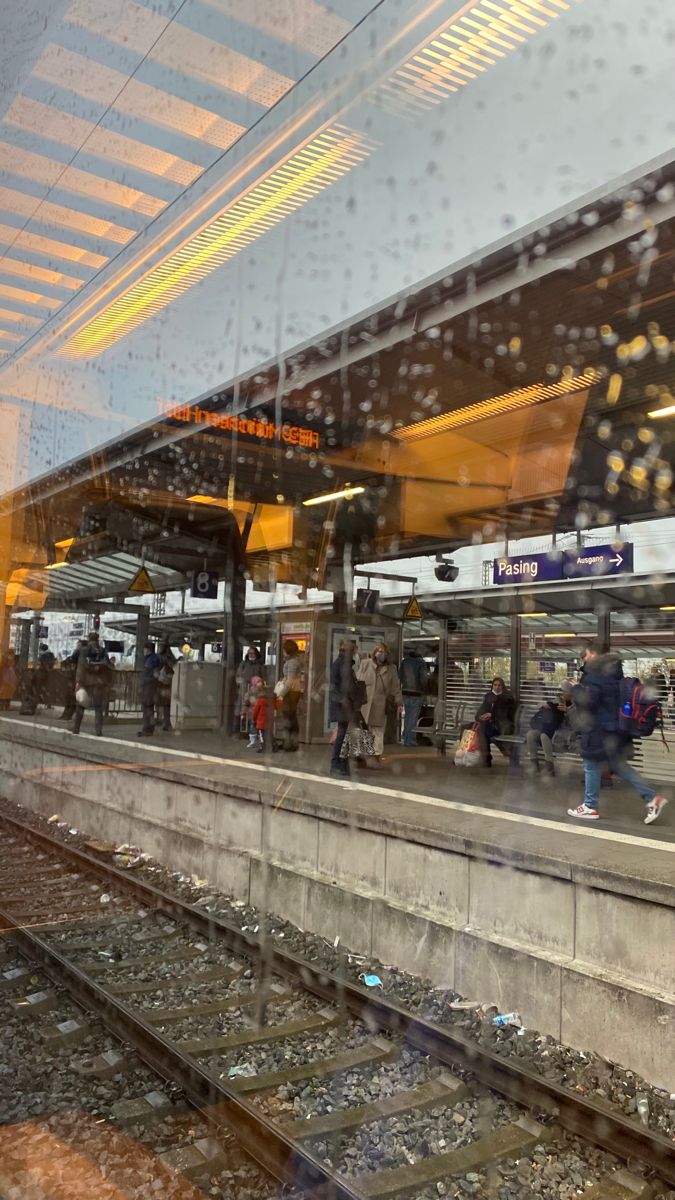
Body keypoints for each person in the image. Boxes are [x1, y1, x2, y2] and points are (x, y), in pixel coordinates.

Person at [568, 640, 668, 824]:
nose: (585, 658)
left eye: (587, 654)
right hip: (615, 728)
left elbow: (589, 702)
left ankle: (590, 806)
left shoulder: (595, 675)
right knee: (619, 765)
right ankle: (652, 797)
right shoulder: (615, 671)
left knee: (590, 763)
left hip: (599, 728)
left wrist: (574, 688)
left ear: (594, 654)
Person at [357, 643, 402, 764]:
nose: (381, 654)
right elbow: (358, 682)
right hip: (365, 704)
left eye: (384, 652)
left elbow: (395, 688)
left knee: (377, 731)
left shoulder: (391, 668)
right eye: (379, 651)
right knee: (364, 729)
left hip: (381, 704)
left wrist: (399, 702)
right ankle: (364, 755)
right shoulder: (365, 664)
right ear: (374, 652)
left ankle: (376, 756)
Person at [329, 640, 362, 777]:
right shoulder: (343, 664)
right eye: (354, 650)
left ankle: (340, 762)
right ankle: (338, 763)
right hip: (343, 704)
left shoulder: (340, 662)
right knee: (343, 734)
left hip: (343, 703)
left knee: (344, 733)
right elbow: (344, 686)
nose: (355, 653)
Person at [525, 685, 573, 776]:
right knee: (530, 734)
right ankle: (534, 765)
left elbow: (573, 722)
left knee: (544, 736)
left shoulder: (573, 704)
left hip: (562, 732)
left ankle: (549, 767)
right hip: (548, 728)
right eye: (562, 691)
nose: (562, 693)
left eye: (565, 691)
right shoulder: (555, 703)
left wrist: (567, 711)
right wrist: (548, 706)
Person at [72, 634, 112, 737]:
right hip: (99, 683)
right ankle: (98, 731)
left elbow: (81, 667)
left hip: (86, 682)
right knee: (98, 708)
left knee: (81, 705)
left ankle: (76, 729)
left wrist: (78, 682)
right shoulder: (102, 651)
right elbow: (108, 667)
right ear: (97, 639)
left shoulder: (84, 650)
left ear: (89, 639)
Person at [474, 677, 516, 767]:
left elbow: (507, 714)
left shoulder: (507, 698)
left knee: (482, 731)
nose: (497, 687)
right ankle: (463, 756)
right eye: (495, 685)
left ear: (503, 687)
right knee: (468, 727)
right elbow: (480, 711)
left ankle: (486, 757)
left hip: (501, 726)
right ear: (492, 686)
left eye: (499, 685)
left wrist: (491, 715)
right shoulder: (488, 696)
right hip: (488, 725)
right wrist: (480, 717)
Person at [276, 639, 304, 751]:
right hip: (293, 691)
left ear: (287, 649)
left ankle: (289, 743)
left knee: (288, 718)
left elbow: (290, 680)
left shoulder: (292, 662)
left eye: (283, 648)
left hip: (290, 693)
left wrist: (281, 694)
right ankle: (292, 742)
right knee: (291, 718)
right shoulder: (292, 661)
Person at [399, 648, 429, 746]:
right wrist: (425, 690)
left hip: (405, 693)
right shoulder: (421, 663)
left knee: (407, 717)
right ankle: (410, 740)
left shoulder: (405, 662)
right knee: (413, 718)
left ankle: (406, 739)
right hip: (417, 693)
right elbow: (423, 679)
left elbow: (400, 676)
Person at [235, 646, 265, 735]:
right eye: (249, 653)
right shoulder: (243, 664)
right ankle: (242, 730)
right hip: (244, 689)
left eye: (252, 653)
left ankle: (253, 730)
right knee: (243, 709)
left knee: (254, 710)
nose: (251, 655)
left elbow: (263, 677)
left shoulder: (260, 665)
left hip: (255, 691)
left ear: (256, 654)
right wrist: (239, 683)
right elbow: (238, 675)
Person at [138, 640, 162, 737]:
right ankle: (149, 728)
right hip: (150, 686)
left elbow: (153, 673)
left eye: (145, 649)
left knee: (147, 707)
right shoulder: (154, 658)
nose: (143, 651)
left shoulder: (151, 660)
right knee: (149, 708)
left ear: (148, 649)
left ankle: (147, 729)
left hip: (149, 686)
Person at [60, 641, 86, 720]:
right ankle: (68, 713)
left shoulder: (80, 654)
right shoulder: (80, 654)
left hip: (76, 678)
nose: (77, 647)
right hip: (75, 678)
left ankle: (68, 714)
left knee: (72, 697)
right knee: (71, 697)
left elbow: (69, 661)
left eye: (78, 645)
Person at [155, 641, 176, 731]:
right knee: (166, 706)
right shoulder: (168, 660)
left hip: (164, 686)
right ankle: (166, 723)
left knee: (165, 706)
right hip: (165, 686)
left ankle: (166, 723)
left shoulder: (164, 663)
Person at [250, 680, 274, 753]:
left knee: (261, 735)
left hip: (260, 722)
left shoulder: (260, 700)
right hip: (269, 721)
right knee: (269, 734)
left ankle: (263, 747)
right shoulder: (271, 700)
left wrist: (253, 719)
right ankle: (273, 746)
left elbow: (255, 711)